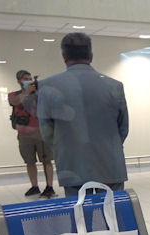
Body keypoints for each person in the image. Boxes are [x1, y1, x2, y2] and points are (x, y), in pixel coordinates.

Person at [37, 32, 129, 197]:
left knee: (79, 217)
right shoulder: (114, 86)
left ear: (64, 56)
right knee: (112, 217)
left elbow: (47, 132)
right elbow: (123, 127)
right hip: (110, 163)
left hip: (72, 165)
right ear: (91, 55)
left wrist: (66, 148)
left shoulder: (47, 87)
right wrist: (109, 146)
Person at [8, 70, 56, 198]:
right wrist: (26, 92)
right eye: (25, 79)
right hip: (24, 133)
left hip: (42, 132)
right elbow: (14, 102)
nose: (28, 81)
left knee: (47, 161)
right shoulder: (14, 94)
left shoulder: (39, 94)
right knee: (29, 161)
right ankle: (34, 186)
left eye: (30, 78)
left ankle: (49, 186)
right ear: (19, 81)